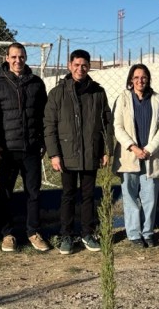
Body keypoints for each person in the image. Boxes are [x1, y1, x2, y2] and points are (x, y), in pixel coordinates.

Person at [0, 43, 51, 253]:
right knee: (5, 193)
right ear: (6, 58)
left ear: (25, 58)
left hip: (31, 149)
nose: (17, 60)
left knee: (33, 193)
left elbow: (44, 117)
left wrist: (44, 142)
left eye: (21, 57)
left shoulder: (37, 83)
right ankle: (7, 234)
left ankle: (34, 232)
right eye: (13, 57)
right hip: (7, 150)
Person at [44, 49, 112, 255]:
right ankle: (66, 235)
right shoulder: (57, 93)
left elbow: (107, 123)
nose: (80, 69)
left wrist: (107, 150)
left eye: (84, 65)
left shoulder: (98, 92)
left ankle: (87, 233)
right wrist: (54, 154)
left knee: (89, 195)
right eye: (76, 65)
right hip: (67, 154)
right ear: (69, 65)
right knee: (68, 195)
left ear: (89, 66)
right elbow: (49, 125)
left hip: (91, 152)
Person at [112, 63, 159, 248]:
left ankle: (148, 232)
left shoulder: (157, 100)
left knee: (150, 196)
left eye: (143, 77)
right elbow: (117, 126)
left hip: (151, 156)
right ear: (131, 80)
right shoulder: (123, 99)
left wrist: (149, 149)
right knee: (129, 196)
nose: (140, 80)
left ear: (148, 79)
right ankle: (134, 234)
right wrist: (133, 147)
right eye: (136, 77)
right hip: (129, 156)